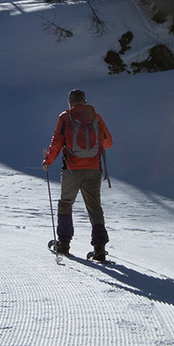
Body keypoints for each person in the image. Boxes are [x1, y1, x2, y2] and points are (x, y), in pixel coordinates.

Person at [42, 88, 113, 260]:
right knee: (94, 207)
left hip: (72, 169)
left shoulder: (65, 117)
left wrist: (48, 161)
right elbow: (109, 143)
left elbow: (57, 142)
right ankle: (99, 249)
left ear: (70, 103)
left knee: (66, 204)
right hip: (94, 169)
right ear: (85, 102)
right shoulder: (96, 117)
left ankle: (64, 243)